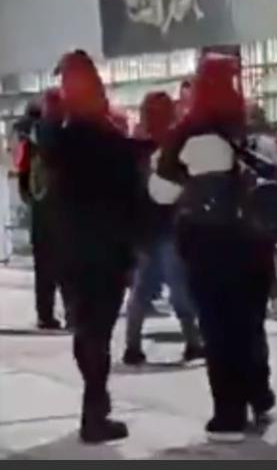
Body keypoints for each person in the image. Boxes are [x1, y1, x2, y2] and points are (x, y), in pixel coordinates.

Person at [157, 54, 276, 442]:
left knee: (219, 326)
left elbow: (161, 192)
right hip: (255, 240)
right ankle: (259, 393)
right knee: (250, 321)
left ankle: (229, 413)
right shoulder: (252, 125)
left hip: (209, 245)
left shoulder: (191, 134)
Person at [38, 50, 146, 443]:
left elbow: (46, 174)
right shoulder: (113, 141)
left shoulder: (59, 140)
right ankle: (95, 413)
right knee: (98, 330)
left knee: (85, 329)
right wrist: (136, 247)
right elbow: (133, 196)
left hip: (70, 248)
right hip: (108, 249)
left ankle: (95, 407)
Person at [123, 92, 204, 366]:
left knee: (148, 289)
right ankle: (191, 342)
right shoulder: (153, 149)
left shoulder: (141, 150)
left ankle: (134, 345)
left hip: (158, 228)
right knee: (171, 288)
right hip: (161, 228)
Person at [15, 92, 72, 330]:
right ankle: (72, 313)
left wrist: (29, 197)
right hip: (62, 207)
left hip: (40, 207)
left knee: (44, 266)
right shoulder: (63, 133)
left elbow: (22, 173)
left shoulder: (28, 138)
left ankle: (45, 315)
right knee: (68, 265)